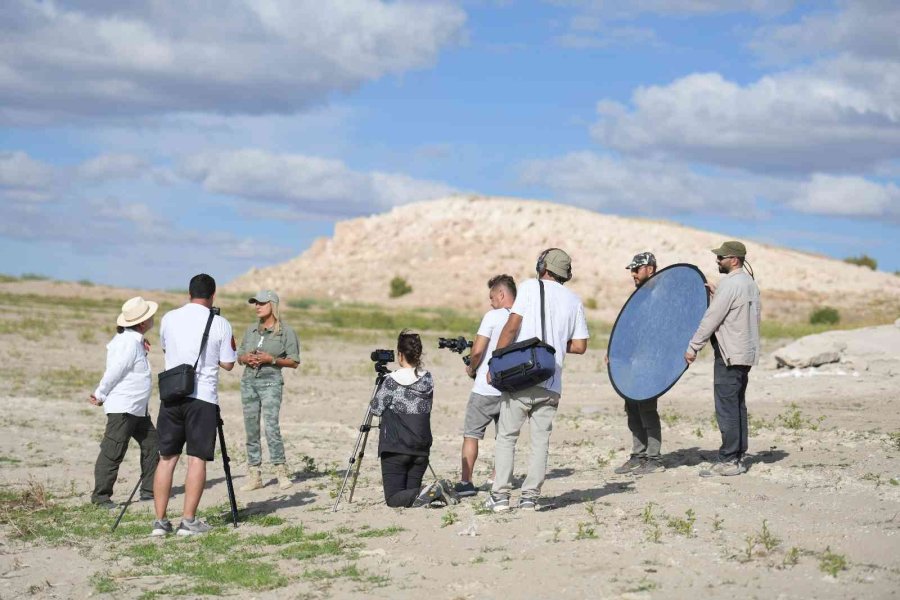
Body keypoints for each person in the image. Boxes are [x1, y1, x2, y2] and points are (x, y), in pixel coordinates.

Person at [486, 248, 589, 512]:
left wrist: (495, 362)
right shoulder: (574, 300)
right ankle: (530, 496)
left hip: (522, 376)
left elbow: (512, 326)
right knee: (540, 441)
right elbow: (579, 345)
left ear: (542, 265)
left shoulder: (530, 287)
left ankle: (500, 496)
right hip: (552, 380)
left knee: (507, 436)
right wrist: (555, 339)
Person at [152, 274, 237, 536]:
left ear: (189, 293)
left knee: (166, 459)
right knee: (196, 459)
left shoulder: (169, 318)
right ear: (213, 296)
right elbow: (228, 363)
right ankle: (188, 522)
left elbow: (167, 350)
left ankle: (160, 522)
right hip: (202, 398)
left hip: (171, 394)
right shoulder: (220, 323)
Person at [685, 241, 761, 477]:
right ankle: (738, 455)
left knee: (726, 408)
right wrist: (718, 294)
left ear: (734, 260)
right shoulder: (749, 283)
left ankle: (728, 460)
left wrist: (693, 347)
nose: (717, 261)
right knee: (737, 405)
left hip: (729, 355)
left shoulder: (731, 285)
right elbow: (737, 311)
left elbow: (712, 318)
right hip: (744, 353)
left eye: (721, 258)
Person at [370, 330, 456, 508]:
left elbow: (375, 409)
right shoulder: (428, 379)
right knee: (413, 499)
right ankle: (432, 490)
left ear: (400, 355)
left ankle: (432, 489)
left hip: (396, 448)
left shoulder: (391, 381)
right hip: (421, 449)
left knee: (394, 499)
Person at [89, 296, 160, 510]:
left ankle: (149, 490)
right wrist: (100, 393)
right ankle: (101, 497)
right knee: (113, 450)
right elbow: (115, 371)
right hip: (124, 408)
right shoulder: (128, 343)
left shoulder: (134, 341)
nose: (153, 318)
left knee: (152, 444)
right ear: (141, 322)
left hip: (137, 409)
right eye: (149, 316)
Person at [454, 274, 516, 498]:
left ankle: (466, 481)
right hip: (511, 388)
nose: (491, 302)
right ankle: (497, 478)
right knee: (505, 437)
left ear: (501, 294)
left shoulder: (492, 316)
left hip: (486, 387)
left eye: (492, 297)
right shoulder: (523, 317)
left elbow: (478, 350)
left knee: (471, 435)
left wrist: (471, 368)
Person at [236, 290, 301, 492]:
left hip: (271, 383)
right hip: (249, 383)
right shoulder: (250, 331)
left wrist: (270, 360)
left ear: (272, 305)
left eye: (262, 303)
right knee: (251, 429)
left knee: (271, 427)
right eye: (255, 303)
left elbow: (294, 361)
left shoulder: (286, 332)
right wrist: (245, 358)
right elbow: (239, 354)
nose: (257, 306)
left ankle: (281, 472)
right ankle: (254, 474)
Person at [611, 252, 665, 476]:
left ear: (650, 269)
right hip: (633, 362)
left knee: (647, 409)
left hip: (651, 362)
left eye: (636, 269)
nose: (632, 274)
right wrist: (616, 352)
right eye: (631, 270)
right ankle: (638, 454)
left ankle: (654, 458)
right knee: (632, 409)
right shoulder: (637, 297)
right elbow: (630, 330)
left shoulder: (662, 297)